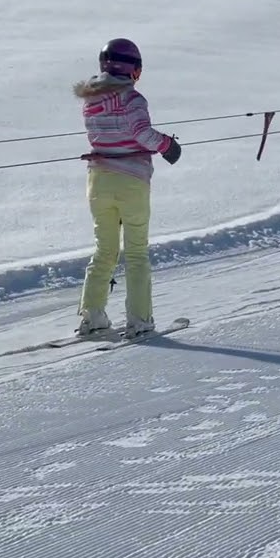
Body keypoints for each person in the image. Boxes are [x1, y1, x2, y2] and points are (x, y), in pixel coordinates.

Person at [73, 38, 182, 337]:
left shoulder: (91, 100)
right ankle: (140, 320)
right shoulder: (132, 99)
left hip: (98, 179)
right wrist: (168, 146)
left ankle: (92, 315)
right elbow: (142, 133)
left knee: (104, 249)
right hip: (131, 180)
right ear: (133, 70)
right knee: (136, 252)